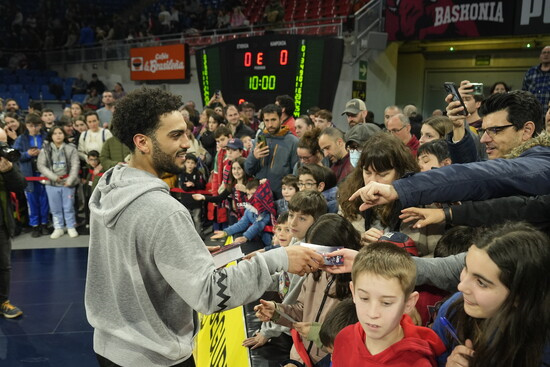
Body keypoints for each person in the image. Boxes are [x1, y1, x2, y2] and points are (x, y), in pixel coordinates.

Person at [84, 87, 324, 367]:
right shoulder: (164, 210)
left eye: (186, 132)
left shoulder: (110, 187)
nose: (188, 143)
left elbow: (130, 259)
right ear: (143, 142)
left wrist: (188, 255)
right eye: (175, 135)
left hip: (110, 346)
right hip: (153, 355)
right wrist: (279, 258)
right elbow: (209, 294)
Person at [432, 222, 550, 367]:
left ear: (519, 296)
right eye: (466, 268)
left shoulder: (543, 342)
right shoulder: (452, 310)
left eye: (481, 282)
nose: (461, 286)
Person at [254, 213, 362, 366]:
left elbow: (357, 339)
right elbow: (301, 311)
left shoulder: (361, 287)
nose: (315, 259)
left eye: (321, 254)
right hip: (301, 355)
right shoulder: (314, 274)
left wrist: (319, 334)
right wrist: (277, 312)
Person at [331, 242, 446, 366]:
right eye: (364, 298)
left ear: (409, 303)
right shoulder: (344, 338)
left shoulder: (416, 363)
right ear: (353, 292)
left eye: (386, 303)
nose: (372, 313)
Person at [245, 104, 299, 199]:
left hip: (281, 197)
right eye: (267, 120)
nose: (270, 124)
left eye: (273, 120)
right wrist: (254, 157)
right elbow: (248, 170)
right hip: (259, 197)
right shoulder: (260, 138)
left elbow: (295, 175)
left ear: (281, 119)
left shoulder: (293, 141)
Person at [0, 127, 26, 318]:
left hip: (2, 220)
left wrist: (8, 171)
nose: (3, 148)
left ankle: (3, 302)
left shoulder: (5, 160)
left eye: (5, 143)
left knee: (4, 264)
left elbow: (20, 186)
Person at [37, 126, 80, 239]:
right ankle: (58, 227)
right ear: (51, 136)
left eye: (60, 133)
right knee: (55, 208)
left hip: (68, 183)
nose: (58, 135)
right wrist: (54, 177)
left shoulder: (71, 149)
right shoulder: (45, 149)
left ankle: (71, 226)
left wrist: (70, 180)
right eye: (55, 133)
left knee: (69, 206)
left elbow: (75, 165)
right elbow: (41, 165)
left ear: (64, 135)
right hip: (51, 183)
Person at [13, 113, 50, 238]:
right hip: (29, 174)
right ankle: (35, 225)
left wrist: (42, 153)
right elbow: (15, 155)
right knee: (32, 201)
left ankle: (44, 224)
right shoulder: (21, 139)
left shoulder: (46, 136)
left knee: (44, 200)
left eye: (36, 125)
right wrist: (28, 154)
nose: (33, 128)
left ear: (40, 125)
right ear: (26, 125)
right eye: (30, 125)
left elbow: (53, 153)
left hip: (44, 173)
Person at [522, 45, 550, 116]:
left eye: (549, 53)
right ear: (540, 56)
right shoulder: (531, 72)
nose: (546, 54)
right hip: (532, 114)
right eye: (544, 53)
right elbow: (524, 93)